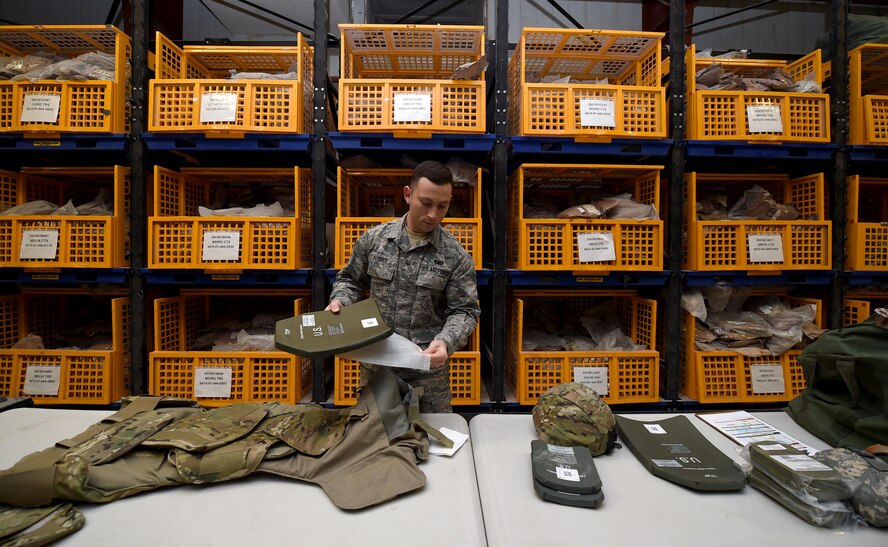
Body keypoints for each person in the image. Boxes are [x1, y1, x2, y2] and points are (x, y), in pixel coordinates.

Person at [327, 160, 480, 412]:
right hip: (377, 364)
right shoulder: (374, 240)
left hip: (427, 372)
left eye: (443, 206)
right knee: (374, 439)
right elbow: (350, 280)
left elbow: (465, 310)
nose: (433, 214)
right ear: (408, 195)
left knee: (434, 443)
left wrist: (446, 341)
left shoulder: (455, 255)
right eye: (426, 203)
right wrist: (340, 300)